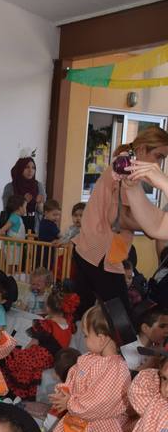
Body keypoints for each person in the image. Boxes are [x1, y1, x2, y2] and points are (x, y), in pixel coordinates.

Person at [73, 128, 168, 318]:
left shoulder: (123, 165)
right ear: (141, 149)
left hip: (87, 249)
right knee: (122, 324)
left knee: (86, 317)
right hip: (101, 254)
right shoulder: (125, 168)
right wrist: (151, 228)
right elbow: (122, 218)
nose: (158, 164)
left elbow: (152, 224)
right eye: (158, 156)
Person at [2, 289, 79, 401]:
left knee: (10, 356)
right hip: (52, 360)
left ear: (48, 307)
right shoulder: (69, 325)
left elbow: (33, 343)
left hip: (37, 356)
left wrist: (23, 353)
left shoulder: (46, 325)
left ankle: (9, 393)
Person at [2, 156, 46, 234]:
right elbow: (7, 208)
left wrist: (40, 203)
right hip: (16, 223)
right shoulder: (10, 187)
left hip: (34, 224)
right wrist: (22, 201)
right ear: (20, 168)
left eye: (33, 168)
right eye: (26, 167)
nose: (30, 170)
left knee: (32, 245)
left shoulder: (39, 186)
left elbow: (42, 212)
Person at [120, 303, 168, 372]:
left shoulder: (158, 348)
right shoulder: (129, 351)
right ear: (145, 328)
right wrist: (150, 363)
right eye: (162, 326)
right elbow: (127, 380)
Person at [0, 195, 26, 275]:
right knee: (11, 263)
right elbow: (6, 226)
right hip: (12, 245)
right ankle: (10, 276)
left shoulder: (17, 217)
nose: (25, 210)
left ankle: (12, 276)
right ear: (20, 208)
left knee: (14, 263)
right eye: (25, 207)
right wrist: (0, 233)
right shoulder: (15, 217)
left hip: (16, 245)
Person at [37, 199, 63, 267]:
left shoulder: (43, 221)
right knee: (47, 267)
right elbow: (60, 236)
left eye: (58, 215)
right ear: (46, 213)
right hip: (47, 251)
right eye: (54, 215)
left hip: (40, 249)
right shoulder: (51, 225)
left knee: (40, 267)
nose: (57, 217)